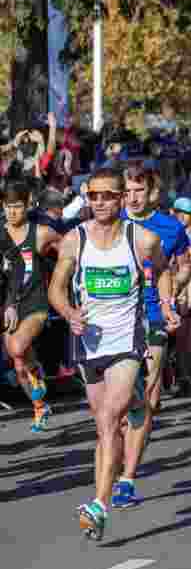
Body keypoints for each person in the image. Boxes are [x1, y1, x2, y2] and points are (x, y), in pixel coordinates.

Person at [48, 167, 180, 540]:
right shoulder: (75, 240)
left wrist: (167, 304)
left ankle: (100, 503)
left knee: (109, 416)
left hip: (127, 341)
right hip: (89, 343)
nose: (100, 202)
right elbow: (57, 289)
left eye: (108, 195)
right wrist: (70, 313)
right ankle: (138, 398)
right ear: (87, 199)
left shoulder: (143, 239)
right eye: (94, 196)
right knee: (102, 424)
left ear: (121, 198)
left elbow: (165, 270)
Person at [113, 162, 191, 509]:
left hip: (154, 314)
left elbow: (185, 262)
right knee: (118, 401)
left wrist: (178, 287)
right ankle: (119, 446)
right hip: (115, 315)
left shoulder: (170, 226)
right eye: (127, 191)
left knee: (147, 395)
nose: (132, 197)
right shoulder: (109, 223)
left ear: (152, 192)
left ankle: (127, 478)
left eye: (139, 191)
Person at [1, 181, 62, 432]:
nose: (12, 212)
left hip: (35, 302)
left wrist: (63, 279)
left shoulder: (41, 233)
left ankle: (37, 370)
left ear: (29, 205)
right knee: (18, 362)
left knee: (17, 347)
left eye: (17, 206)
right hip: (7, 304)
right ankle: (40, 406)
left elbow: (70, 251)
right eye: (8, 207)